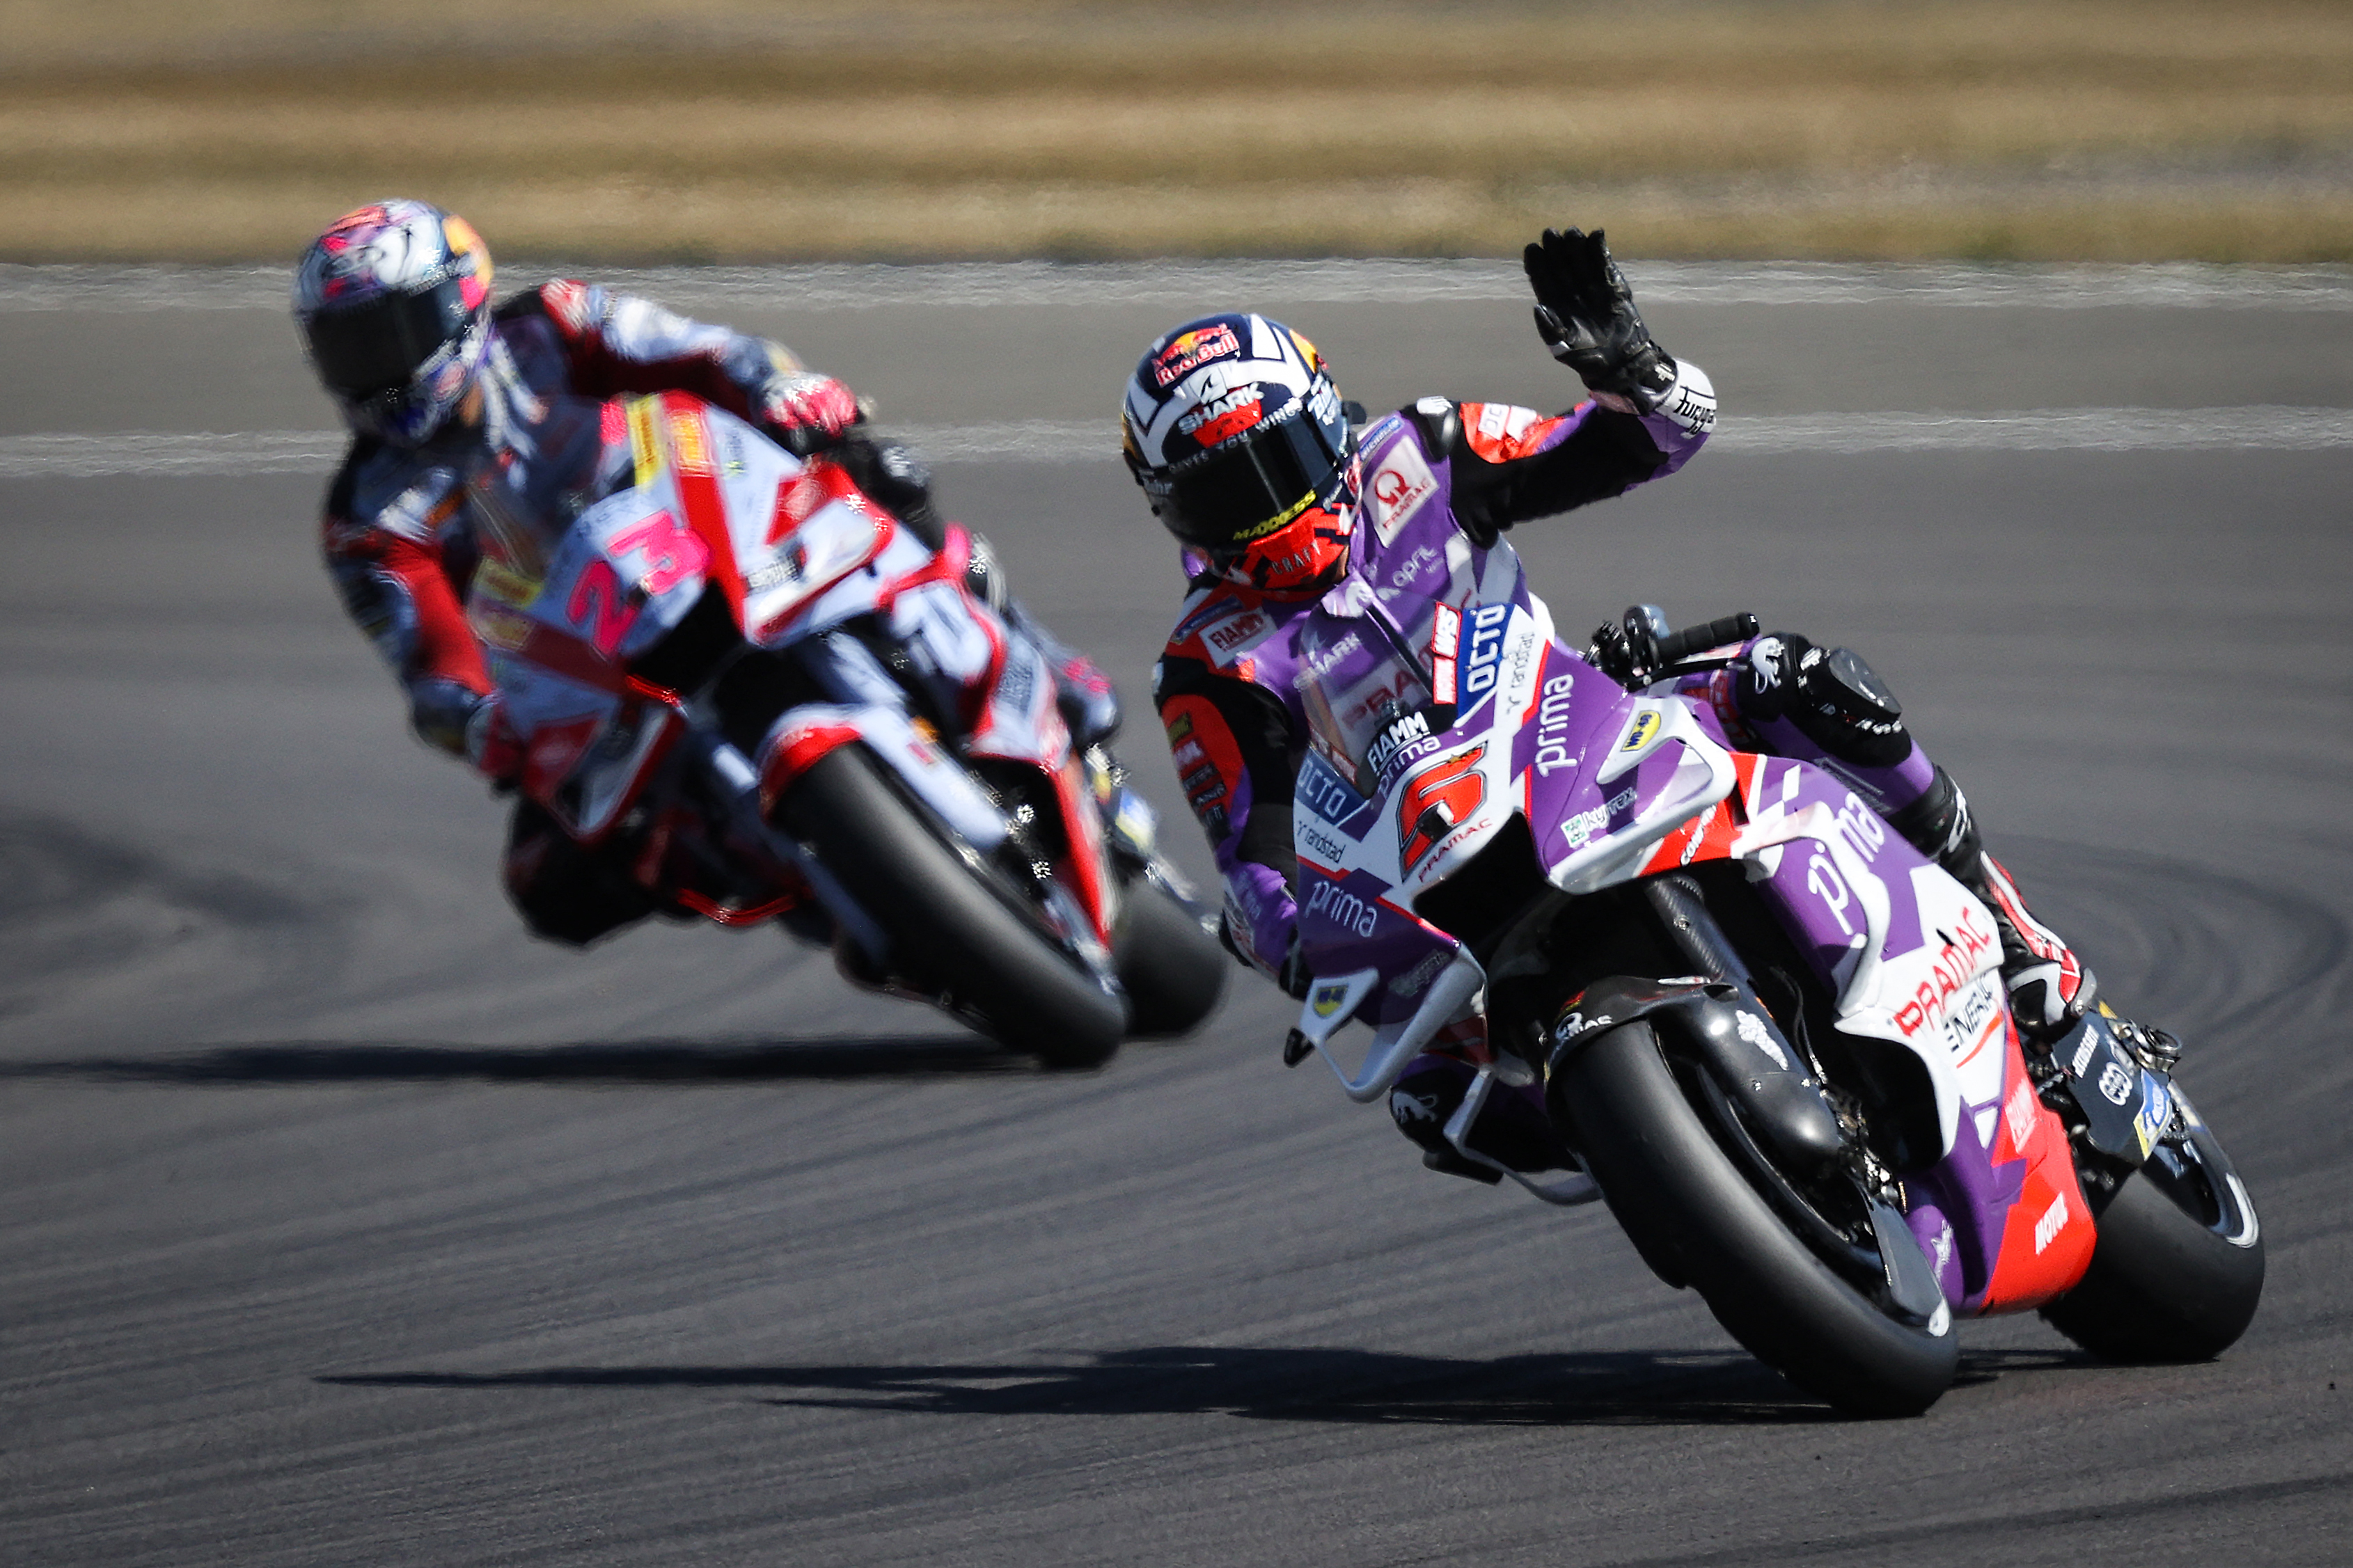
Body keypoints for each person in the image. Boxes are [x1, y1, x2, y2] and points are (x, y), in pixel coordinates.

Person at [1125, 226, 2129, 1182]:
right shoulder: (1208, 661)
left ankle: (2011, 930)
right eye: (1225, 494)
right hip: (1429, 879)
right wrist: (1295, 940)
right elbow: (1250, 854)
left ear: (1327, 419)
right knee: (1435, 1103)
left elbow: (1645, 444)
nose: (1267, 510)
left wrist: (1631, 369)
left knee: (1796, 681)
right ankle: (1664, 1155)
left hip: (1571, 730)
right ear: (1175, 510)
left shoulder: (1417, 456)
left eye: (1281, 467)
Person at [297, 198, 1116, 946]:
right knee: (547, 885)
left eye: (393, 335)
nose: (376, 368)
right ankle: (794, 878)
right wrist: (478, 721)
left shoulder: (549, 327)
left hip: (705, 529)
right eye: (349, 348)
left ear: (460, 302)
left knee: (880, 472)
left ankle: (1037, 661)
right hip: (588, 668)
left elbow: (705, 354)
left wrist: (784, 391)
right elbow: (430, 660)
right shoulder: (369, 515)